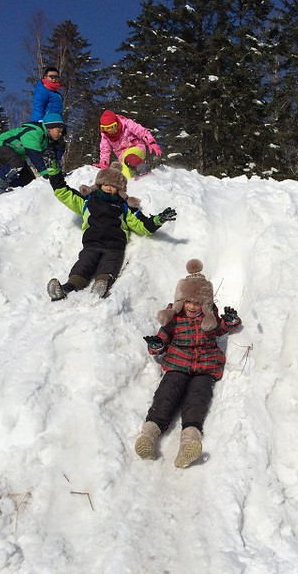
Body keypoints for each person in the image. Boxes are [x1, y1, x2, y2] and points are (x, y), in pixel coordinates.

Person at [135, 259, 242, 468]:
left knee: (198, 397)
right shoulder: (173, 317)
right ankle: (149, 434)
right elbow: (163, 338)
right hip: (178, 363)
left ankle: (189, 442)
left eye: (198, 302)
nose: (193, 306)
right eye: (188, 302)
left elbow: (221, 329)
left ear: (206, 303)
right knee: (167, 392)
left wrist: (230, 321)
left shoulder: (210, 318)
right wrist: (157, 345)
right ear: (181, 301)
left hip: (205, 365)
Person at [45, 162, 177, 300]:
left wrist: (159, 219)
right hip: (92, 245)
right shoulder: (87, 201)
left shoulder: (125, 207)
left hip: (114, 248)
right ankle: (67, 288)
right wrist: (54, 172)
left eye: (114, 186)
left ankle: (100, 287)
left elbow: (143, 226)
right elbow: (63, 193)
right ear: (99, 184)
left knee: (108, 268)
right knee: (83, 265)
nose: (109, 188)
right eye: (106, 184)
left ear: (120, 189)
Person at [0, 113, 66, 195]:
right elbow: (35, 155)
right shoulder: (35, 132)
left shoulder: (46, 140)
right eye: (58, 131)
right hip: (3, 144)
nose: (60, 134)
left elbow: (51, 155)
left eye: (61, 132)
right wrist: (44, 172)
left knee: (28, 179)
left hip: (18, 152)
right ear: (49, 128)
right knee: (16, 164)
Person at [93, 110, 162, 176]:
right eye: (106, 128)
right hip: (122, 157)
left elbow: (142, 131)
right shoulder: (105, 135)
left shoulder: (127, 124)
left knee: (129, 157)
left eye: (112, 127)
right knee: (125, 175)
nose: (110, 131)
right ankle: (137, 183)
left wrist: (151, 142)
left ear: (117, 123)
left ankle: (144, 170)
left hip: (136, 147)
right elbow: (105, 150)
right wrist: (104, 163)